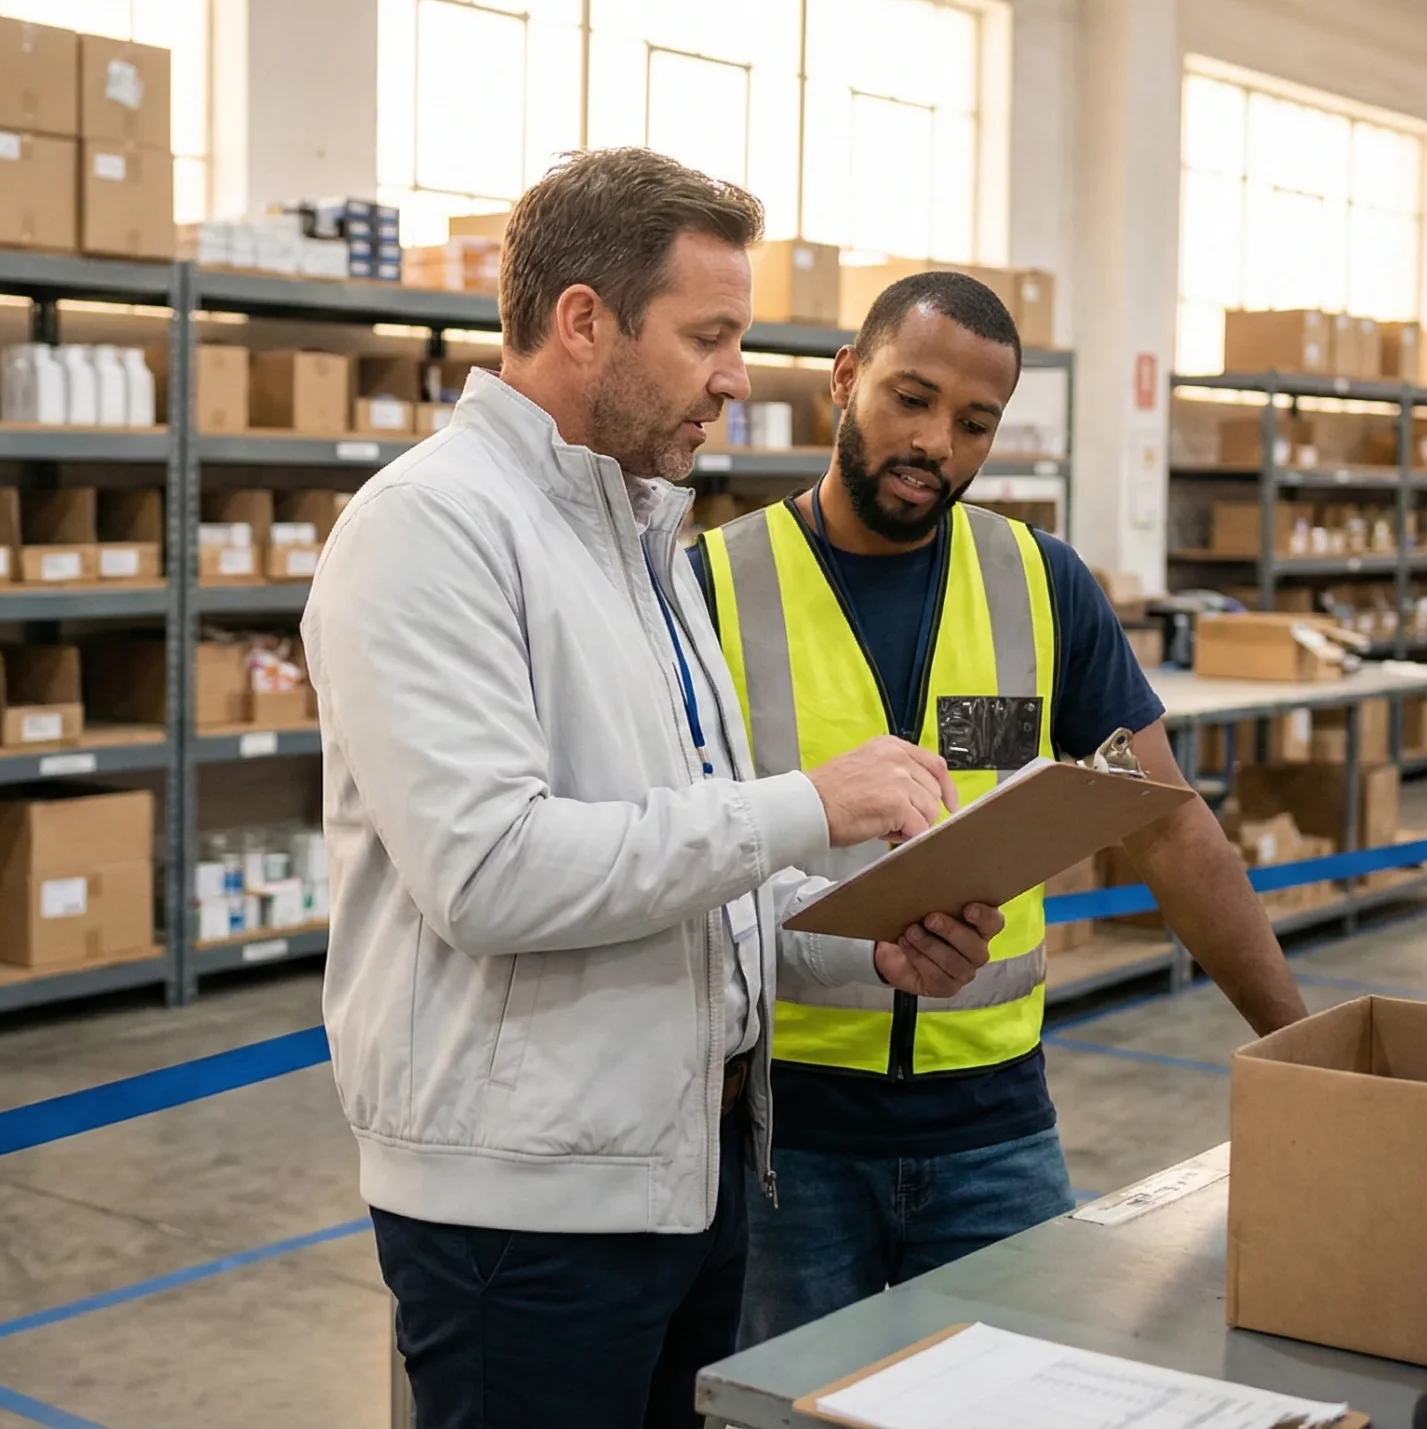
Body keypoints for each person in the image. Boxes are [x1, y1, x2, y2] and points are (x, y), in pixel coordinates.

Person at [303, 150, 1012, 1429]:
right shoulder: (430, 528)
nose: (737, 378)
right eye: (709, 337)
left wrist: (874, 948)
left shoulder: (641, 540)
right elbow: (489, 871)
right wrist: (813, 801)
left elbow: (695, 869)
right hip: (523, 1213)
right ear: (585, 322)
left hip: (685, 1174)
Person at [690, 271, 1313, 1346]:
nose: (936, 441)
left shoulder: (1040, 581)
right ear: (845, 380)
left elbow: (1164, 821)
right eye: (910, 398)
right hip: (783, 1138)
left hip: (993, 1126)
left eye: (974, 422)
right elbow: (672, 846)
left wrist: (1300, 1047)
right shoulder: (711, 584)